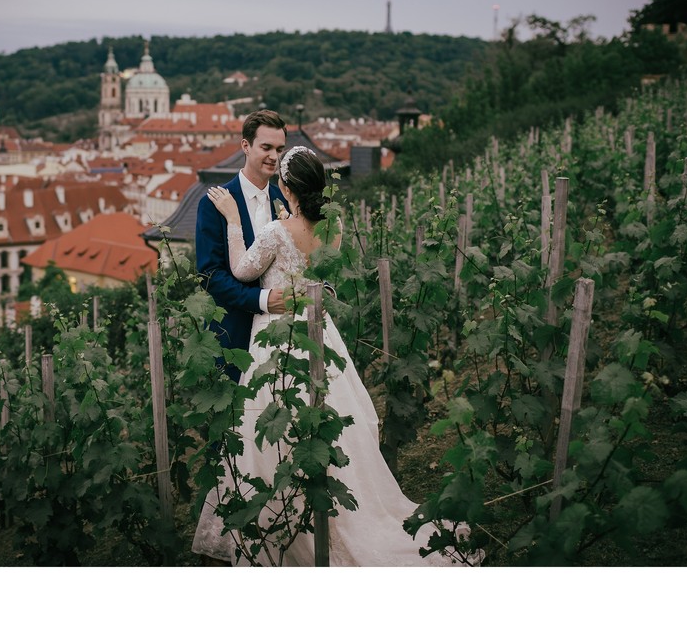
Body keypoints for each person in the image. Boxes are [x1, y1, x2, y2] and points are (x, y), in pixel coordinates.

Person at [191, 145, 483, 567]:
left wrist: (236, 221)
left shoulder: (275, 232)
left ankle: (274, 523)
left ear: (287, 186)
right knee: (322, 417)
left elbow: (240, 271)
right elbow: (306, 255)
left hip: (278, 333)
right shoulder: (335, 226)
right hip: (318, 331)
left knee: (270, 423)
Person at [195, 109, 290, 381]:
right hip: (233, 334)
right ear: (245, 146)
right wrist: (262, 300)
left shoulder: (285, 201)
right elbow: (210, 275)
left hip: (282, 334)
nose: (274, 156)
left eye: (279, 149)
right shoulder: (213, 203)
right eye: (266, 147)